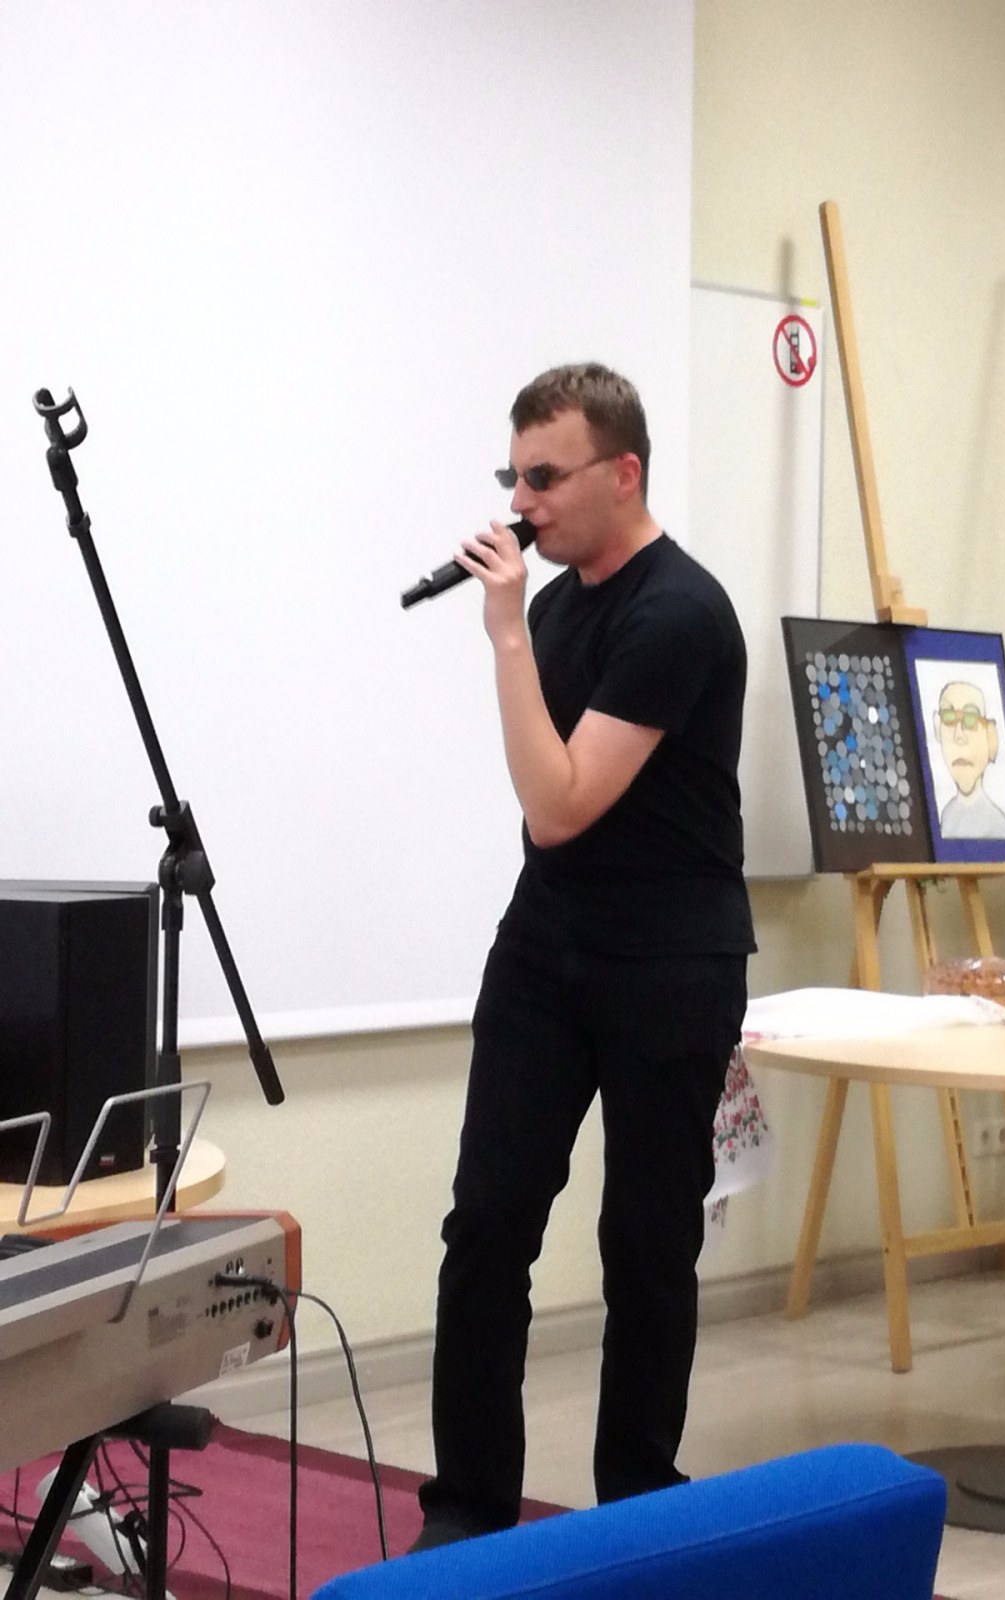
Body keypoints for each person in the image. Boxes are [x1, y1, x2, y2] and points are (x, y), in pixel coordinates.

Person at [412, 363, 755, 1550]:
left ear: (625, 473)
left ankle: (637, 1513)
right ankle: (467, 1512)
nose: (521, 504)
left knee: (646, 1243)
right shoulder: (557, 608)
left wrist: (504, 632)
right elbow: (543, 808)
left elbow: (559, 803)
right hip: (549, 946)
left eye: (545, 478)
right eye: (513, 478)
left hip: (672, 961)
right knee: (487, 1224)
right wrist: (520, 630)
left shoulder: (680, 614)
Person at [934, 680, 1005, 840]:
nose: (959, 735)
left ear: (990, 735)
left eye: (971, 718)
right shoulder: (947, 815)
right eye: (948, 717)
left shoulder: (997, 826)